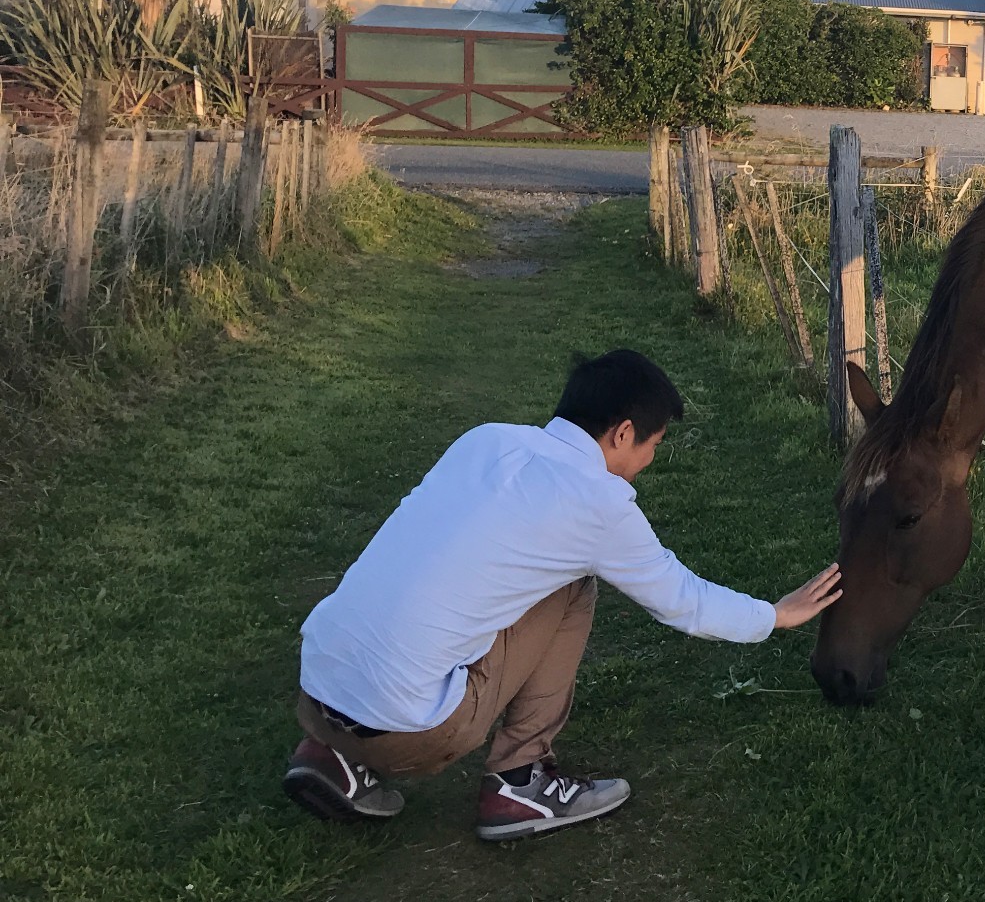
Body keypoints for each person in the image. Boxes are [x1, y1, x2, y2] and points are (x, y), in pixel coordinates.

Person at [283, 349, 840, 842]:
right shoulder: (599, 502)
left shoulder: (486, 439)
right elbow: (682, 600)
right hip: (409, 732)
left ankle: (333, 755)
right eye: (654, 444)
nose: (649, 461)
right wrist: (775, 615)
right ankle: (521, 782)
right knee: (575, 586)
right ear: (623, 433)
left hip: (316, 688)